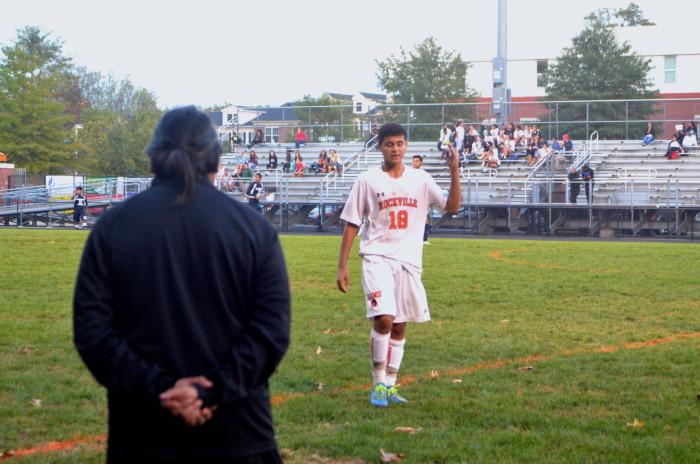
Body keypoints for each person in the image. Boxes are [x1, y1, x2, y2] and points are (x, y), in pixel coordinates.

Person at [73, 106, 290, 463]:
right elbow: (270, 333)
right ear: (216, 161)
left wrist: (161, 389)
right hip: (238, 434)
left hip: (142, 433)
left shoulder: (114, 227)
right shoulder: (253, 229)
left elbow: (93, 332)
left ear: (153, 159)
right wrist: (213, 391)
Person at [336, 123, 461, 408]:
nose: (395, 148)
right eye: (389, 144)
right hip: (376, 257)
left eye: (400, 143)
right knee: (384, 318)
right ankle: (378, 383)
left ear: (406, 146)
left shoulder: (421, 179)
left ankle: (391, 385)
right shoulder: (367, 180)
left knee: (400, 326)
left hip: (409, 261)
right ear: (380, 147)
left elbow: (452, 207)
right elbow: (352, 223)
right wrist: (342, 265)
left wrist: (455, 172)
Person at [411, 154, 432, 245]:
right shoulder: (408, 173)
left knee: (425, 218)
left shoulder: (424, 175)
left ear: (421, 163)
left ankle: (424, 239)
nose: (415, 163)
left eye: (417, 161)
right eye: (413, 161)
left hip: (422, 199)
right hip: (411, 199)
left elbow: (428, 187)